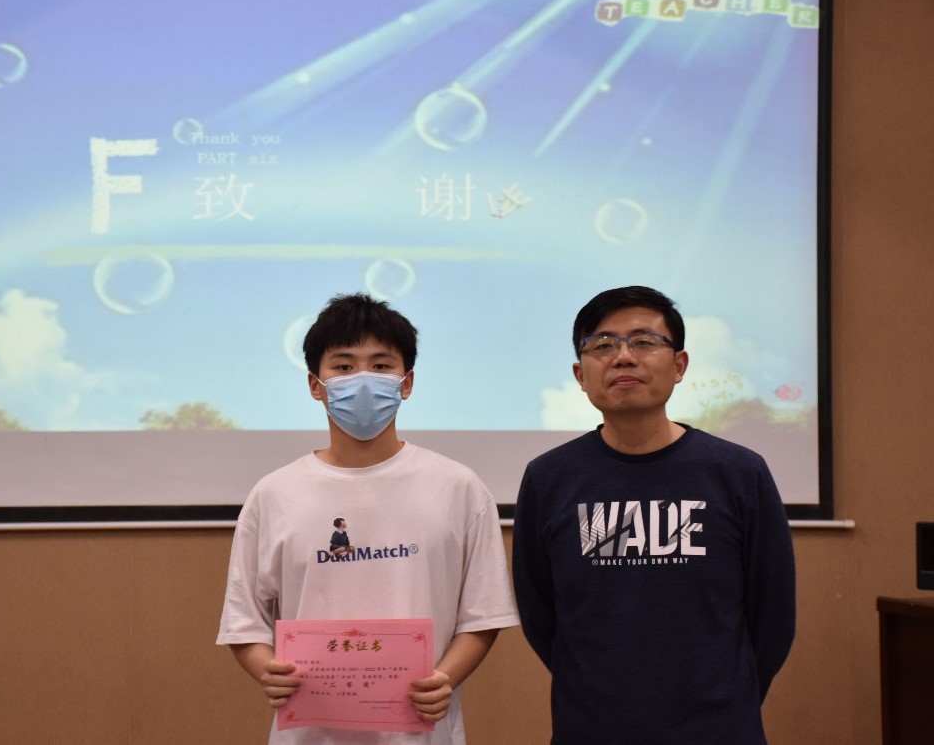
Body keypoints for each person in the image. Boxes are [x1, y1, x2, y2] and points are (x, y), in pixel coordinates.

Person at [218, 292, 519, 745]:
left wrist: (445, 678)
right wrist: (267, 670)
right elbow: (244, 620)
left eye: (380, 366)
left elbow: (483, 614)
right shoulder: (274, 494)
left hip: (421, 733)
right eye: (343, 366)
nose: (362, 380)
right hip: (309, 734)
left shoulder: (459, 487)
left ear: (406, 382)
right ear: (315, 385)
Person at [512, 286, 796, 744]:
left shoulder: (739, 472)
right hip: (591, 730)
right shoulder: (548, 478)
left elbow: (773, 615)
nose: (623, 357)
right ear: (580, 374)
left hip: (719, 730)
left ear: (679, 365)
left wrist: (729, 699)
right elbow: (540, 614)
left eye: (644, 342)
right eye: (603, 345)